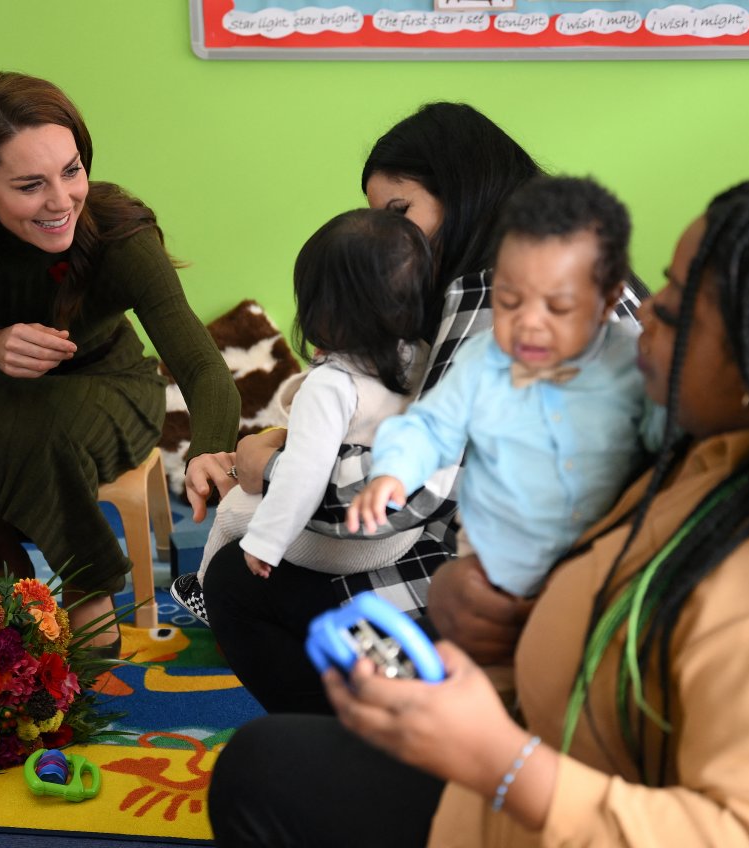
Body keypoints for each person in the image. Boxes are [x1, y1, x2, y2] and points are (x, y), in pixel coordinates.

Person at [207, 175, 749, 847]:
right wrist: (504, 631)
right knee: (273, 757)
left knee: (262, 771)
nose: (647, 307)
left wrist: (500, 761)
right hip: (548, 761)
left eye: (679, 294)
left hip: (541, 797)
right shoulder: (705, 457)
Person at [182, 102, 647, 713]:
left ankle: (362, 762)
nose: (393, 239)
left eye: (401, 213)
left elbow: (396, 497)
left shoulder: (493, 298)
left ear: (462, 189)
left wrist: (265, 471)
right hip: (586, 564)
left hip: (535, 592)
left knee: (238, 585)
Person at [0, 72, 240, 652]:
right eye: (29, 185)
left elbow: (202, 368)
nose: (61, 202)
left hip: (109, 384)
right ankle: (3, 584)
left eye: (72, 170)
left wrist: (209, 450)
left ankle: (87, 596)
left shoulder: (120, 230)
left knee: (41, 431)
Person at [349, 175, 661, 600]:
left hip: (596, 555)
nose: (529, 323)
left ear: (606, 303)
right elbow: (432, 425)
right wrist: (395, 470)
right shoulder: (485, 358)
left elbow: (670, 443)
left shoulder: (632, 365)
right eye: (511, 301)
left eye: (558, 306)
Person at [198, 208, 433, 584]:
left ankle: (203, 590)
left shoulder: (330, 387)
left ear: (321, 311)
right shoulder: (422, 355)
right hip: (403, 532)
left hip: (342, 546)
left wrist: (265, 542)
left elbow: (303, 473)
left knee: (230, 511)